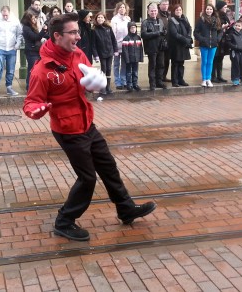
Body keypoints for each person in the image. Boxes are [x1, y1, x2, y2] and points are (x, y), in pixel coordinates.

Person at [23, 13, 157, 241]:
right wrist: (37, 110)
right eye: (73, 32)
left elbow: (88, 77)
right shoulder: (42, 70)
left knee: (108, 166)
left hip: (86, 122)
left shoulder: (77, 54)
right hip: (67, 129)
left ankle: (125, 209)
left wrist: (97, 83)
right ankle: (64, 221)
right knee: (88, 178)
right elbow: (31, 103)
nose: (78, 36)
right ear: (57, 36)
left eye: (78, 31)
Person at [0, 5, 23, 98]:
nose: (5, 17)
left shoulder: (15, 20)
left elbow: (19, 34)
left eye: (6, 15)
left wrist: (17, 46)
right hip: (0, 48)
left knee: (11, 69)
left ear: (9, 12)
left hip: (12, 48)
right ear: (1, 13)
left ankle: (9, 87)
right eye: (3, 15)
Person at [194, 3, 222, 87]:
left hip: (213, 44)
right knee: (204, 62)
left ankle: (208, 79)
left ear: (213, 10)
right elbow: (196, 32)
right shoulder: (201, 19)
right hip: (204, 44)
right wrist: (202, 39)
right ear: (205, 10)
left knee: (210, 62)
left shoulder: (216, 19)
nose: (209, 11)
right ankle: (204, 79)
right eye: (207, 9)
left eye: (210, 9)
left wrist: (217, 39)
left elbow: (220, 31)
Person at [141, 3, 167, 90]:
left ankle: (159, 81)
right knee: (152, 65)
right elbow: (143, 34)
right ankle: (152, 83)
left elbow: (163, 32)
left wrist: (164, 33)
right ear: (148, 12)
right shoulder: (145, 22)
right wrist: (157, 33)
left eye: (155, 11)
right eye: (151, 11)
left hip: (160, 47)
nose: (153, 12)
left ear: (157, 11)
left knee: (161, 65)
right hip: (151, 47)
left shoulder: (160, 21)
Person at [21, 10, 48, 91]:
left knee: (35, 70)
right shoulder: (26, 28)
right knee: (32, 70)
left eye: (35, 18)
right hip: (31, 51)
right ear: (28, 19)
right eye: (33, 19)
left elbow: (38, 36)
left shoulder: (32, 26)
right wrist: (43, 30)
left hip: (35, 50)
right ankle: (29, 87)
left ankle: (32, 87)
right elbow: (35, 37)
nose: (35, 20)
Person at [92, 12, 117, 94]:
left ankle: (108, 86)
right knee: (103, 69)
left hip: (109, 52)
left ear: (104, 19)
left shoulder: (108, 28)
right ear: (96, 19)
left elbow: (113, 40)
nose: (100, 19)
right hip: (101, 53)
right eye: (98, 17)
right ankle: (102, 87)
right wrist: (95, 55)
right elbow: (94, 44)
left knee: (109, 69)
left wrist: (115, 50)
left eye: (102, 17)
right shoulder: (94, 30)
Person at [167, 4, 192, 87]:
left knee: (181, 63)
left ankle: (181, 79)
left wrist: (188, 37)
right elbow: (174, 34)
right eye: (177, 10)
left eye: (180, 10)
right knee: (175, 64)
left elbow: (189, 28)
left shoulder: (185, 18)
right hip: (176, 46)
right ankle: (175, 81)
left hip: (183, 46)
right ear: (174, 11)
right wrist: (185, 40)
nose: (179, 11)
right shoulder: (171, 20)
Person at [111, 2, 131, 89]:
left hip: (126, 45)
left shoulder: (128, 19)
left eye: (123, 7)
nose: (122, 9)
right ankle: (117, 82)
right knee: (116, 64)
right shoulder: (114, 19)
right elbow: (113, 34)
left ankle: (124, 80)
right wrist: (114, 46)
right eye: (120, 7)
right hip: (117, 45)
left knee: (124, 64)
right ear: (117, 9)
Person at [211, 1, 231, 83]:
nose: (226, 9)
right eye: (225, 7)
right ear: (220, 7)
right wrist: (222, 27)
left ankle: (220, 76)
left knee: (220, 58)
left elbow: (228, 24)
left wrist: (228, 27)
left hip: (223, 40)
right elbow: (214, 28)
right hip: (216, 40)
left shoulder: (225, 16)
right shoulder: (215, 16)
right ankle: (213, 76)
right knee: (215, 58)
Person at [122, 21, 144, 91]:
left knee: (135, 72)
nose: (133, 29)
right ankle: (129, 85)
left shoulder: (138, 38)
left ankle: (135, 84)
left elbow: (140, 49)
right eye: (131, 28)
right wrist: (127, 59)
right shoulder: (126, 38)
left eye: (134, 28)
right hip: (129, 58)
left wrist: (141, 57)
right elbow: (125, 50)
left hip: (136, 58)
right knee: (128, 72)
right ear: (129, 29)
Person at [157, 0, 171, 82]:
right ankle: (159, 77)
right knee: (160, 62)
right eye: (163, 4)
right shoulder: (157, 15)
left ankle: (164, 76)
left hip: (169, 42)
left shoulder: (169, 15)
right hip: (161, 42)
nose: (165, 6)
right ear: (160, 5)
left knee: (167, 60)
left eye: (167, 4)